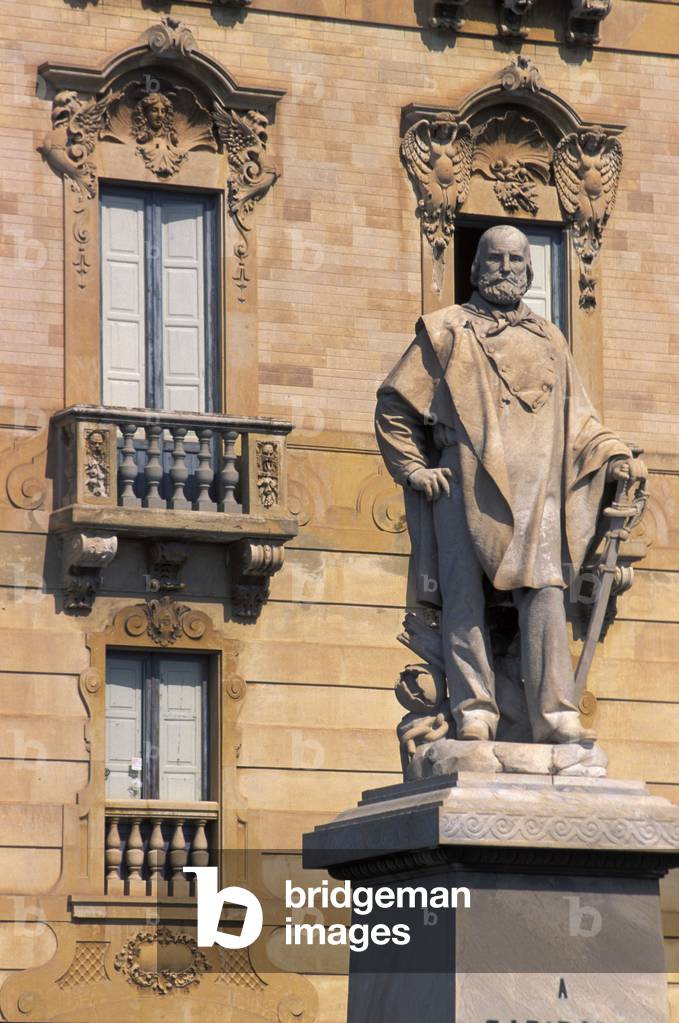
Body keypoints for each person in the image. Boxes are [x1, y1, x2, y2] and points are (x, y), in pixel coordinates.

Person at [375, 224, 643, 744]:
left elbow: (581, 421)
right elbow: (394, 406)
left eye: (515, 261)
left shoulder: (551, 339)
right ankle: (474, 707)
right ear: (474, 269)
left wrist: (613, 456)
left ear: (529, 271)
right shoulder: (445, 331)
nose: (505, 269)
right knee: (463, 598)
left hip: (538, 489)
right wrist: (413, 468)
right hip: (464, 482)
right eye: (494, 260)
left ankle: (556, 712)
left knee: (544, 594)